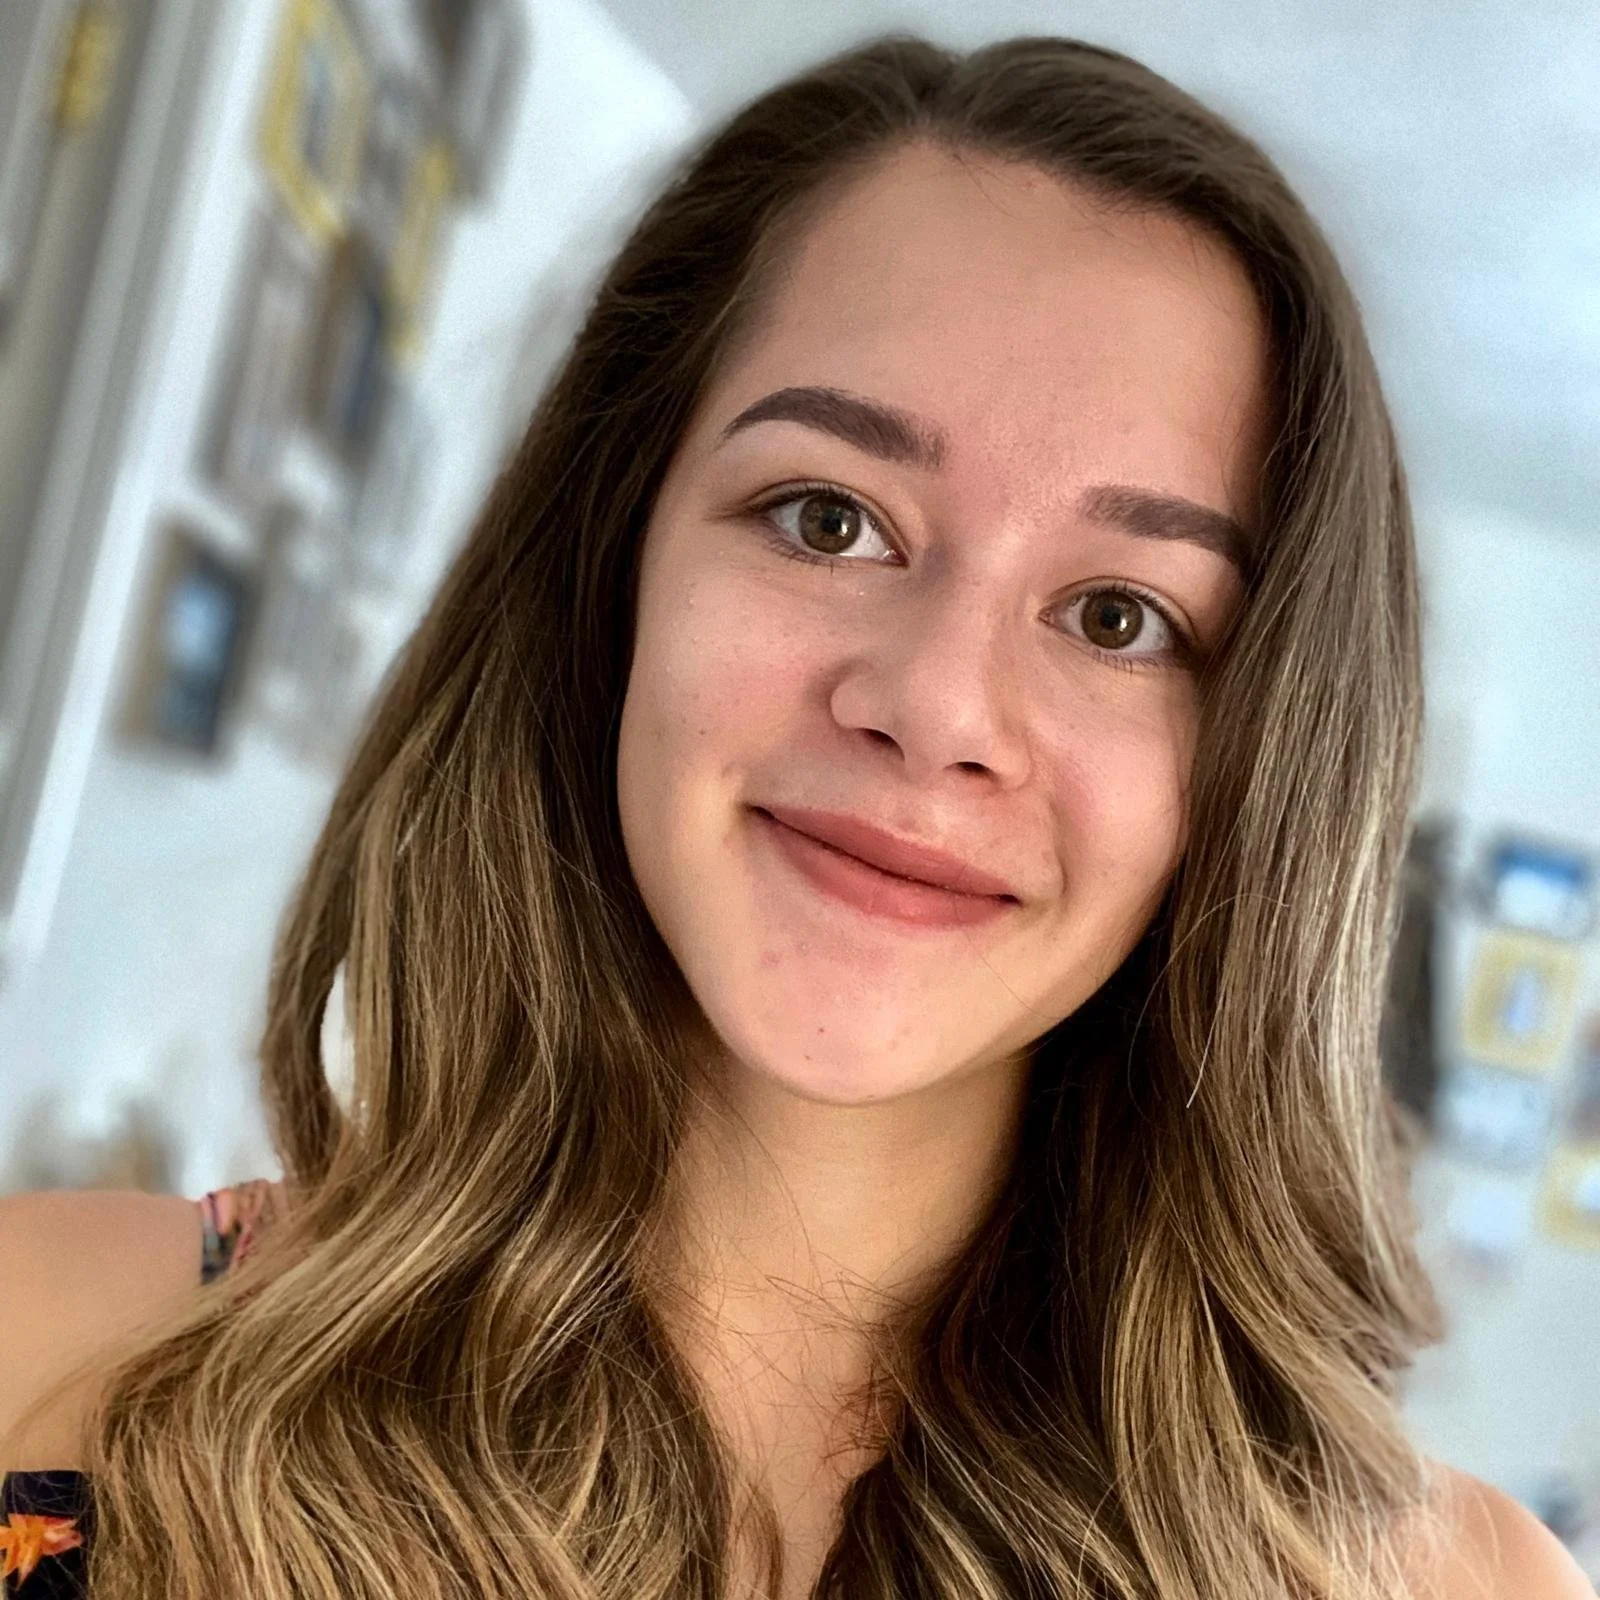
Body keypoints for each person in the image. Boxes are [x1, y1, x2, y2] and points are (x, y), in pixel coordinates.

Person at [0, 31, 1591, 1600]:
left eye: (1120, 618)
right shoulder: (39, 1349)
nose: (940, 707)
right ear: (612, 567)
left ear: (1260, 776)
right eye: (829, 520)